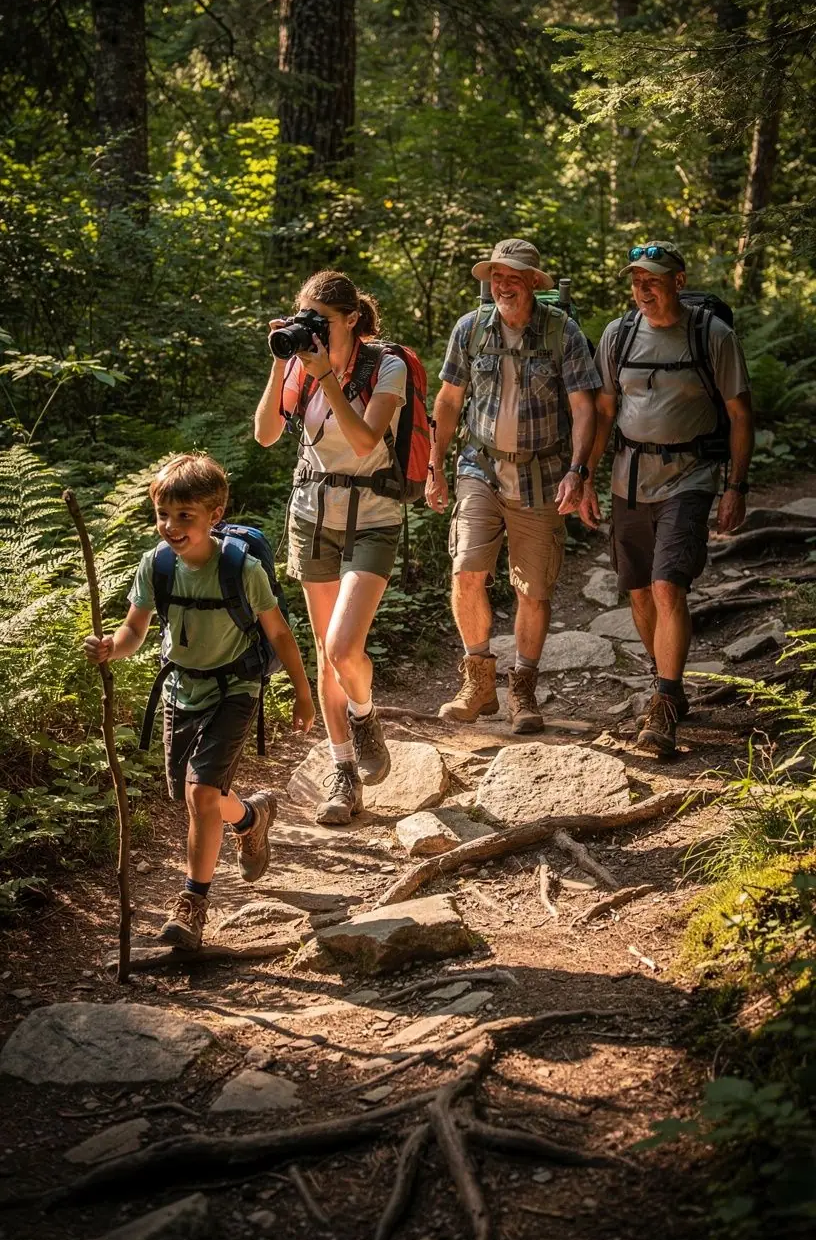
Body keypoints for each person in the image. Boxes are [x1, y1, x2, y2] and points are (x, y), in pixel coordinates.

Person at [82, 453, 315, 949]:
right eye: (163, 514)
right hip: (180, 690)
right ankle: (252, 818)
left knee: (200, 796)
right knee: (198, 797)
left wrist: (302, 690)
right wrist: (111, 649)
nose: (171, 526)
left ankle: (192, 905)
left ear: (215, 514)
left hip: (235, 688)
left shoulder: (242, 569)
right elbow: (135, 630)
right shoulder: (157, 565)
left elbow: (279, 633)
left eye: (185, 516)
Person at [583, 241, 754, 755]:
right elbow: (605, 411)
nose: (643, 289)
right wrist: (584, 476)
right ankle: (666, 680)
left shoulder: (711, 335)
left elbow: (741, 415)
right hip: (628, 480)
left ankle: (663, 700)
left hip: (690, 476)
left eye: (653, 279)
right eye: (636, 280)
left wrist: (736, 486)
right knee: (637, 591)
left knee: (665, 586)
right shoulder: (619, 334)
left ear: (679, 281)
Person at [427, 238, 600, 732]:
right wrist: (435, 466)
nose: (502, 285)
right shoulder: (470, 329)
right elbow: (448, 401)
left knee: (533, 588)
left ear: (532, 283)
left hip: (543, 473)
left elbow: (584, 407)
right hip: (478, 467)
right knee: (466, 572)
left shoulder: (561, 332)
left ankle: (522, 690)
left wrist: (578, 470)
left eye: (513, 277)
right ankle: (478, 682)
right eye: (496, 277)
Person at [254, 271, 407, 825]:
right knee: (325, 651)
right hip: (312, 515)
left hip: (372, 515)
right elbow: (266, 434)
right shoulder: (299, 365)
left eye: (319, 319)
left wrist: (328, 379)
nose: (310, 329)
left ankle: (365, 717)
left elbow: (366, 439)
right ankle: (344, 772)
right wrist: (281, 363)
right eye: (303, 317)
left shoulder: (385, 367)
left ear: (349, 320)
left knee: (345, 648)